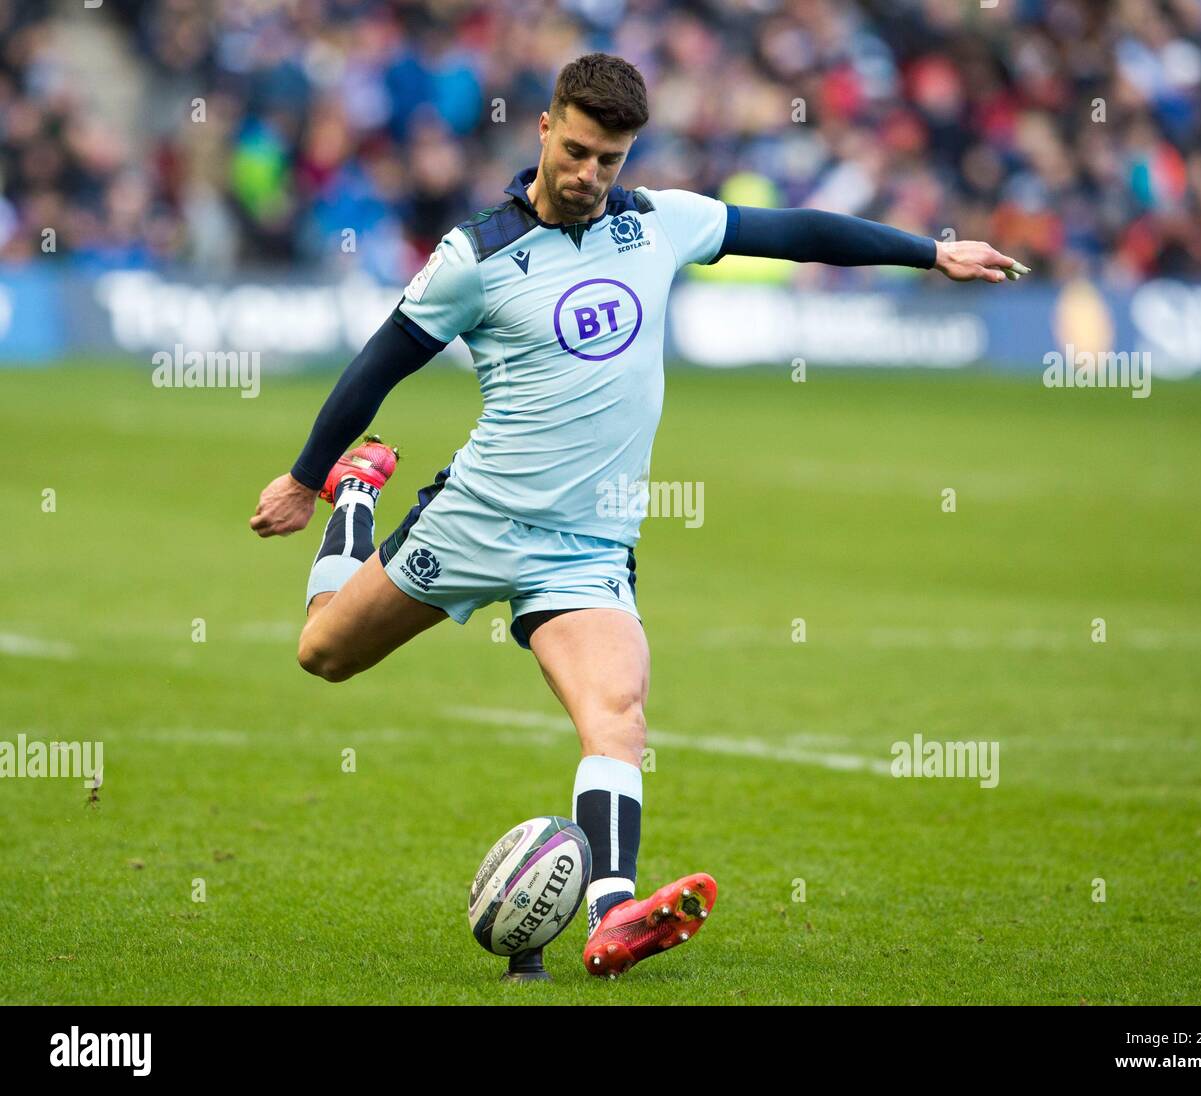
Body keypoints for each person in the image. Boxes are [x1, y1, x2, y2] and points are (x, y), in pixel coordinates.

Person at [249, 52, 1027, 978]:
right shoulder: (478, 257)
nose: (588, 175)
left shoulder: (660, 224)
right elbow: (381, 361)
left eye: (609, 159)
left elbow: (793, 231)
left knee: (617, 717)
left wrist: (929, 251)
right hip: (474, 522)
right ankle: (359, 498)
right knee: (324, 654)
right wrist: (306, 479)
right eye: (576, 151)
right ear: (543, 128)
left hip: (585, 548)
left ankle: (612, 915)